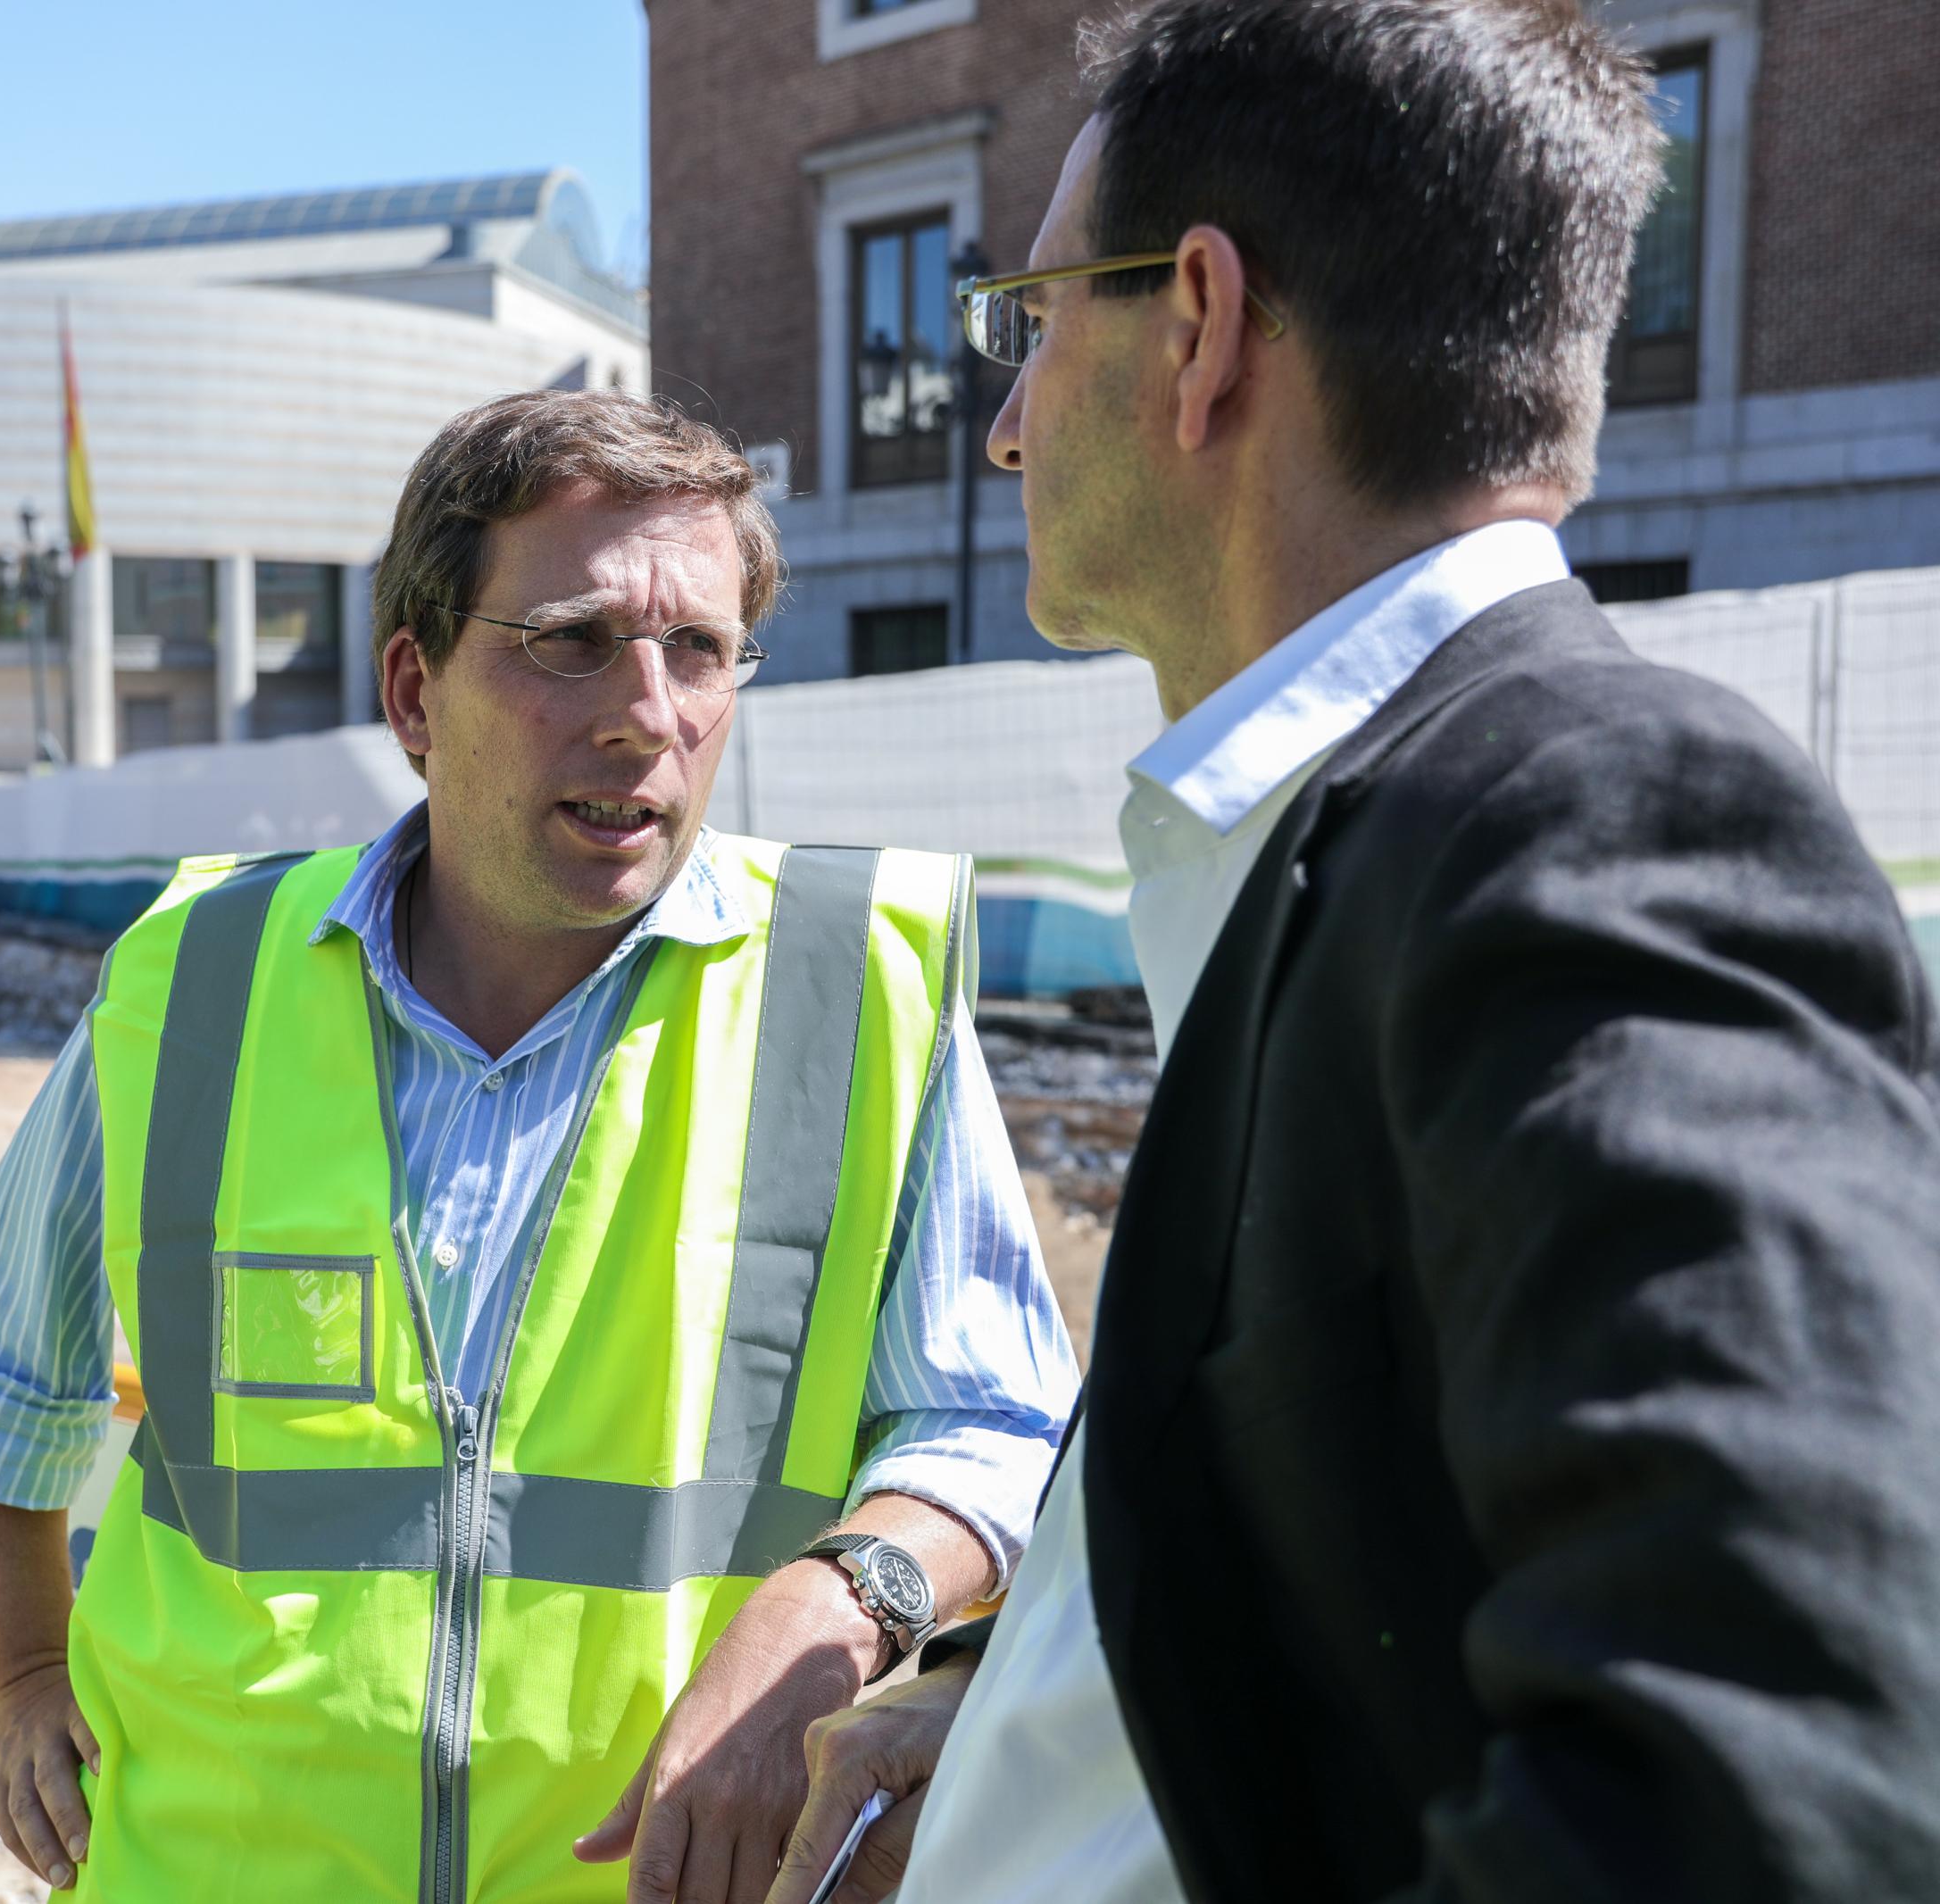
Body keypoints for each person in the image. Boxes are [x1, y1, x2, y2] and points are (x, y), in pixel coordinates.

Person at [766, 3, 1940, 1900]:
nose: (1000, 417)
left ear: (1201, 327)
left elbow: (1779, 1774)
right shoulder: (1377, 832)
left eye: (1035, 320)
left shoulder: (1594, 812)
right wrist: (1037, 1705)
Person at [0, 388, 1079, 1903]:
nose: (648, 711)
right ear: (414, 691)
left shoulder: (863, 993)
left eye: (700, 650)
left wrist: (840, 1596)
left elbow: (992, 1422)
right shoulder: (195, 975)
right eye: (573, 640)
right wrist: (17, 1671)